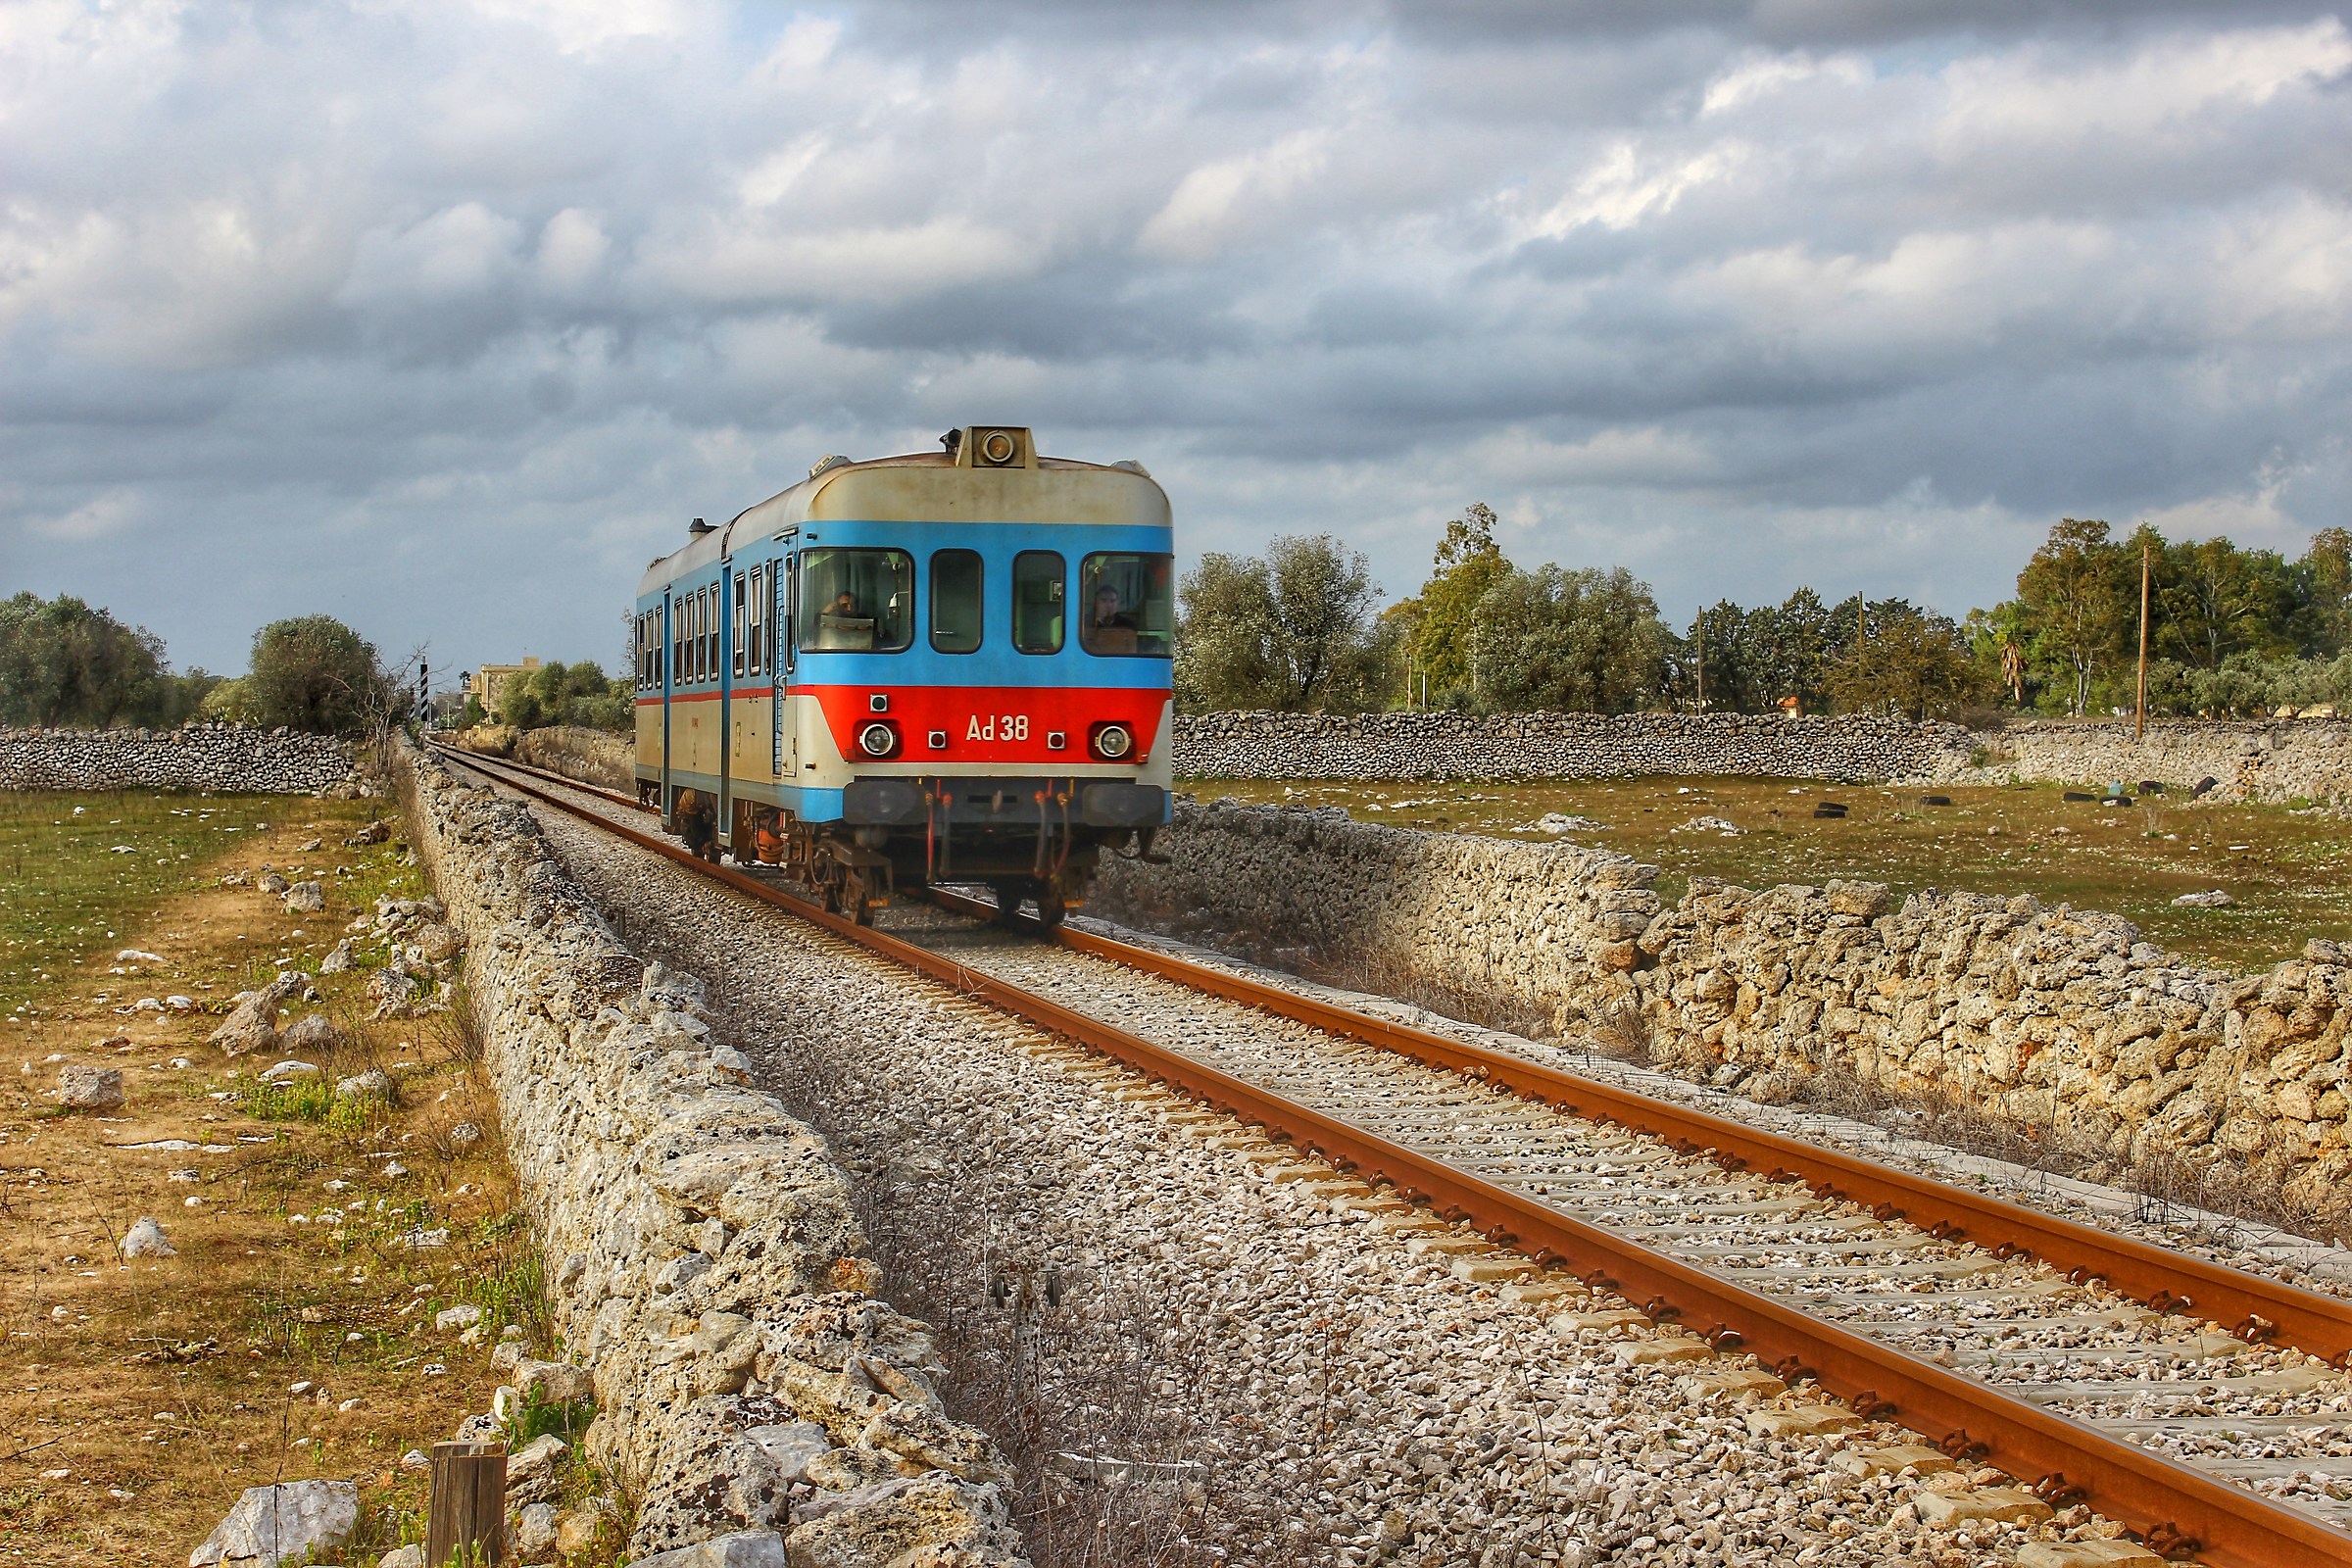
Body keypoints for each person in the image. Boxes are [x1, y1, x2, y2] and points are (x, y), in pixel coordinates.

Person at [675, 789, 717, 862]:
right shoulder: (692, 803)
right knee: (696, 828)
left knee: (696, 828)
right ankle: (699, 846)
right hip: (692, 806)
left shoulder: (692, 800)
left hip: (693, 805)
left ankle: (699, 846)